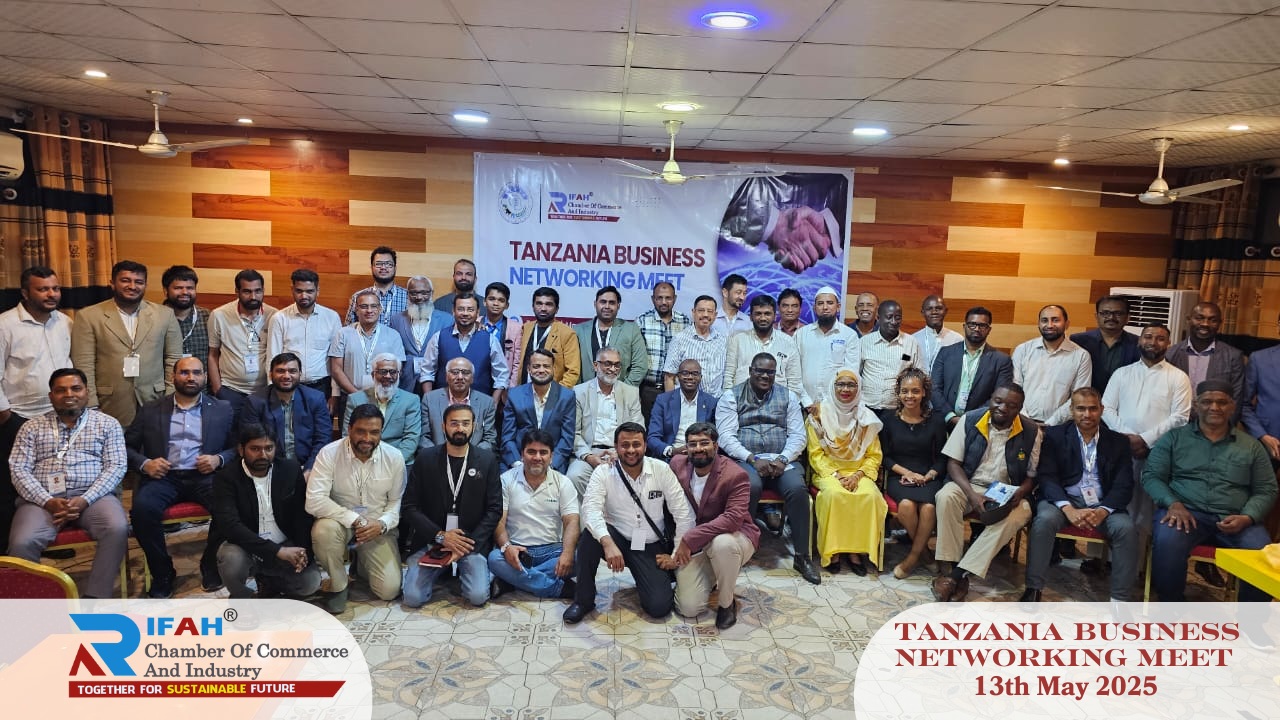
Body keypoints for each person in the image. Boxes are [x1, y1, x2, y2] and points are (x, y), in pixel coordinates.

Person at [1143, 380, 1277, 609]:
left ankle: (1252, 621)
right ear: (1196, 405)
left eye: (1222, 402)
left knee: (1261, 556)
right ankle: (1170, 609)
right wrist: (1173, 504)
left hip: (1236, 519)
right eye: (1207, 402)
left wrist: (1248, 517)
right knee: (1167, 543)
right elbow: (1151, 476)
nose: (1214, 407)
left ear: (1232, 406)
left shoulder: (1251, 446)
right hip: (1185, 514)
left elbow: (1267, 489)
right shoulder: (1174, 438)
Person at [7, 368, 128, 599]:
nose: (69, 394)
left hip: (94, 497)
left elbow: (116, 467)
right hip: (41, 500)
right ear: (51, 396)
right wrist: (48, 501)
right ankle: (32, 607)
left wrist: (85, 499)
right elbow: (18, 469)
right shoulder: (31, 427)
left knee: (116, 528)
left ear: (87, 392)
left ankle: (95, 599)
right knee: (23, 541)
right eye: (61, 390)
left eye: (76, 388)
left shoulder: (108, 424)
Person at [563, 422, 695, 624]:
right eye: (625, 445)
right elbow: (590, 511)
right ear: (616, 447)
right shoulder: (603, 472)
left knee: (659, 607)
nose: (631, 450)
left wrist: (675, 555)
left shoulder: (661, 470)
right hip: (619, 538)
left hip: (650, 544)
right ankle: (583, 601)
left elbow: (683, 514)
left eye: (636, 444)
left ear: (645, 446)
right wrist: (607, 543)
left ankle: (651, 578)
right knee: (589, 536)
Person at [126, 356, 236, 597]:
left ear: (205, 377)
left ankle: (209, 564)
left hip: (205, 476)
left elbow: (238, 447)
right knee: (142, 512)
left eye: (196, 373)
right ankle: (163, 572)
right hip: (164, 477)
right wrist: (145, 464)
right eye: (184, 372)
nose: (191, 377)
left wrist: (218, 459)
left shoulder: (222, 409)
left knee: (230, 507)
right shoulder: (151, 409)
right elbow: (126, 447)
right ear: (173, 377)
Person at [1020, 387, 1137, 602]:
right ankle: (1033, 588)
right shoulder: (1055, 436)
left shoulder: (1118, 442)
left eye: (1093, 409)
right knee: (1044, 521)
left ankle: (1120, 600)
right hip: (1063, 500)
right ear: (1071, 410)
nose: (1087, 414)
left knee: (1126, 529)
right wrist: (1068, 508)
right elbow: (1047, 477)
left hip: (1103, 504)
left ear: (1102, 410)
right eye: (1081, 409)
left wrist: (1103, 511)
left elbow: (1124, 484)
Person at [716, 353, 819, 585]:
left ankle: (802, 556)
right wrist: (752, 458)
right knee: (749, 485)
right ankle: (742, 548)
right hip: (746, 459)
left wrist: (783, 458)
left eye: (770, 372)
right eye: (760, 371)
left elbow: (798, 436)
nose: (765, 376)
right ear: (750, 371)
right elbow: (726, 437)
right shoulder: (731, 396)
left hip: (782, 460)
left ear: (775, 373)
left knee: (797, 489)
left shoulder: (788, 396)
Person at [932, 384, 1041, 602]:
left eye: (1011, 405)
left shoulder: (1031, 431)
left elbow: (1032, 475)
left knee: (1019, 515)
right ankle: (951, 566)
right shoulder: (970, 419)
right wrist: (972, 494)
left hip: (1008, 490)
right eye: (998, 401)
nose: (1002, 408)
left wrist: (1021, 491)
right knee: (945, 497)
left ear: (1020, 408)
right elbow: (953, 463)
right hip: (969, 483)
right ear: (991, 398)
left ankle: (956, 576)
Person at [0, 266, 72, 554]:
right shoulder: (5, 324)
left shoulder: (65, 322)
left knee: (54, 482)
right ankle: (9, 551)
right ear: (25, 293)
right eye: (43, 289)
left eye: (55, 288)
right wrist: (6, 416)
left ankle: (46, 540)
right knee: (13, 485)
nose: (51, 294)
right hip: (18, 418)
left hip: (56, 418)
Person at [305, 404, 405, 613]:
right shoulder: (329, 453)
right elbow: (314, 500)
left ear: (381, 432)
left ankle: (360, 565)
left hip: (376, 527)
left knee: (389, 590)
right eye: (361, 431)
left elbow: (396, 502)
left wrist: (382, 524)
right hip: (339, 523)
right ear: (349, 429)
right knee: (323, 531)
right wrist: (354, 519)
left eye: (374, 432)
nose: (367, 438)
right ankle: (339, 585)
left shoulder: (394, 457)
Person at [401, 403, 502, 608]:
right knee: (412, 598)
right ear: (443, 426)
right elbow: (410, 506)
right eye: (454, 423)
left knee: (477, 597)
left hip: (470, 542)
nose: (460, 429)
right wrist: (440, 536)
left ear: (474, 426)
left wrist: (465, 545)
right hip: (432, 540)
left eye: (465, 423)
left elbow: (494, 509)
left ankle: (468, 570)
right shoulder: (426, 458)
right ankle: (442, 569)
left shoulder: (487, 460)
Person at [1101, 323, 1191, 540]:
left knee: (1146, 509)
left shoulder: (1178, 377)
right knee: (1116, 501)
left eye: (1160, 338)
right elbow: (1106, 408)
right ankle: (1105, 555)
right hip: (1120, 449)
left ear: (1168, 344)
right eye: (1148, 337)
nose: (1153, 342)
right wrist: (1128, 438)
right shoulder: (1122, 373)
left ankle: (1141, 558)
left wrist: (1144, 439)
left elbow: (1180, 417)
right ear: (1139, 341)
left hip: (1157, 452)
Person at [212, 423, 321, 600]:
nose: (263, 455)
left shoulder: (290, 470)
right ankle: (245, 599)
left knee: (310, 582)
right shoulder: (226, 478)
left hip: (285, 544)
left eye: (268, 448)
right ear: (241, 449)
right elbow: (231, 526)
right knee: (230, 559)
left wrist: (302, 552)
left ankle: (269, 583)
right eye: (255, 449)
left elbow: (302, 516)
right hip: (247, 547)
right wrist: (276, 551)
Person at [667, 423, 758, 629]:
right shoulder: (677, 465)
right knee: (688, 608)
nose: (698, 448)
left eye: (704, 443)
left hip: (735, 536)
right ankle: (717, 574)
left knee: (722, 545)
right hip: (699, 544)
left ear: (716, 446)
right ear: (686, 448)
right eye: (692, 444)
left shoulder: (735, 474)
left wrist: (689, 539)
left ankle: (726, 604)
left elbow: (733, 519)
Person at [70, 260, 182, 427]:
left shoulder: (165, 315)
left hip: (155, 400)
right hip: (109, 403)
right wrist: (91, 404)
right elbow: (84, 363)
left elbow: (174, 359)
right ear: (112, 283)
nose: (132, 286)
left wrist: (170, 398)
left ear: (145, 285)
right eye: (125, 280)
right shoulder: (89, 316)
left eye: (139, 282)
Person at [806, 368, 886, 576]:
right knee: (834, 495)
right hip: (828, 472)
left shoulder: (867, 418)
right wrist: (837, 476)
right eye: (840, 384)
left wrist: (858, 475)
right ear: (832, 387)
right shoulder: (818, 415)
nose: (845, 389)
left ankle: (855, 552)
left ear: (858, 388)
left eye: (851, 385)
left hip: (860, 472)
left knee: (869, 496)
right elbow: (815, 454)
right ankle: (833, 551)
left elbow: (874, 455)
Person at [488, 429, 580, 599]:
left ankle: (512, 580)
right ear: (522, 454)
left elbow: (572, 521)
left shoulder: (563, 482)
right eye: (531, 452)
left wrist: (567, 553)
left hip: (552, 550)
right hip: (517, 549)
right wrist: (507, 547)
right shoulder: (506, 480)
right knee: (494, 559)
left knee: (580, 556)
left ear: (551, 456)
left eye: (543, 452)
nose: (537, 457)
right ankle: (557, 589)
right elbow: (499, 522)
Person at [878, 367, 949, 579]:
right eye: (905, 391)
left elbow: (942, 457)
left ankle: (911, 559)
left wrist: (929, 475)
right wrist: (907, 473)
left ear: (924, 392)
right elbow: (885, 457)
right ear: (898, 393)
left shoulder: (937, 420)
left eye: (915, 391)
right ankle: (925, 555)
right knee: (907, 506)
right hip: (899, 475)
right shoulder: (888, 419)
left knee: (928, 508)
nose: (910, 396)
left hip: (928, 476)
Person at [568, 347, 644, 495]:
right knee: (575, 476)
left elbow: (638, 430)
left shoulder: (631, 393)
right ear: (596, 365)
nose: (613, 369)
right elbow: (573, 432)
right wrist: (589, 457)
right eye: (608, 364)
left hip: (620, 451)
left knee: (632, 477)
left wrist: (620, 452)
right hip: (589, 451)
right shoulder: (579, 392)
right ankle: (590, 511)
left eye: (617, 365)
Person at [240, 352, 332, 474]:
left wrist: (310, 469)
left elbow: (323, 439)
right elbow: (251, 442)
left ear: (300, 374)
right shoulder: (255, 402)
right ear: (271, 374)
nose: (286, 376)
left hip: (307, 466)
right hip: (270, 468)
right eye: (280, 371)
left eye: (292, 371)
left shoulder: (316, 399)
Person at [207, 269, 277, 417]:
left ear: (263, 290)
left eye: (258, 291)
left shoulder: (274, 316)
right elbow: (213, 354)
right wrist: (218, 389)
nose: (253, 297)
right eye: (247, 291)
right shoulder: (219, 315)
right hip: (230, 391)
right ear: (237, 291)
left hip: (264, 391)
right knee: (231, 431)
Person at [266, 268, 342, 400]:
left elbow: (337, 359)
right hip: (289, 385)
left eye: (309, 291)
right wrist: (273, 390)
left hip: (322, 386)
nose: (304, 296)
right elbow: (272, 357)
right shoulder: (279, 318)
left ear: (318, 291)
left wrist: (335, 394)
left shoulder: (332, 317)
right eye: (299, 291)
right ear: (292, 290)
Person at [1010, 305, 1092, 426]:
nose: (1049, 325)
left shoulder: (1081, 356)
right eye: (1044, 320)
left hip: (1059, 426)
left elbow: (1078, 397)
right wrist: (1026, 421)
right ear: (1038, 324)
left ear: (1067, 324)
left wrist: (1050, 424)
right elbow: (1014, 388)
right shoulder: (1023, 350)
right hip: (1020, 422)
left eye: (1055, 320)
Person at [931, 306, 1012, 428]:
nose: (977, 329)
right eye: (972, 324)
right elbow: (934, 388)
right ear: (964, 326)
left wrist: (970, 418)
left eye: (982, 325)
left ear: (989, 329)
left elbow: (999, 397)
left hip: (978, 425)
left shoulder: (1001, 360)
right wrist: (950, 416)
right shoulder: (945, 353)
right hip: (943, 422)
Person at [420, 293, 509, 401]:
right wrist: (430, 401)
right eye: (461, 309)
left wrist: (493, 404)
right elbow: (427, 372)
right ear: (453, 311)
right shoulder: (438, 337)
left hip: (479, 406)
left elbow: (501, 375)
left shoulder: (490, 340)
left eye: (470, 309)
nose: (465, 313)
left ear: (478, 312)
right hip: (444, 404)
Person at [1165, 302, 1245, 421]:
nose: (1205, 324)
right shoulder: (1170, 354)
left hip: (1215, 424)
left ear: (1220, 323)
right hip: (1176, 422)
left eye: (1213, 320)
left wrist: (1224, 428)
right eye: (1199, 318)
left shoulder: (1233, 356)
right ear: (1188, 319)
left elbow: (1236, 400)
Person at [502, 349, 576, 473]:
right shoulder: (515, 395)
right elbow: (507, 437)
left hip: (553, 463)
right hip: (519, 460)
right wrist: (518, 464)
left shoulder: (566, 396)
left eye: (546, 366)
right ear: (528, 369)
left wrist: (551, 464)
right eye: (536, 366)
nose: (541, 370)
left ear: (553, 369)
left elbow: (567, 438)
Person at [329, 291, 407, 406]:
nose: (369, 310)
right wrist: (356, 396)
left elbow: (398, 369)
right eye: (364, 306)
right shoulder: (343, 334)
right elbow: (336, 369)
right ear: (356, 310)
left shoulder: (393, 335)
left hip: (384, 398)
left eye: (373, 306)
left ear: (380, 309)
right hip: (350, 397)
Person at [343, 353, 422, 466]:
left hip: (399, 462)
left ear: (399, 375)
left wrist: (391, 464)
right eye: (383, 372)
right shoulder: (355, 400)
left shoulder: (411, 400)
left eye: (393, 372)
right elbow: (348, 435)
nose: (388, 376)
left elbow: (411, 438)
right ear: (373, 375)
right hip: (362, 460)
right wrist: (367, 462)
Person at [723, 295, 804, 403]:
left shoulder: (788, 343)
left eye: (767, 314)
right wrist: (730, 404)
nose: (763, 318)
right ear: (751, 317)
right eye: (758, 314)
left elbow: (795, 383)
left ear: (775, 316)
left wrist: (787, 406)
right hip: (742, 403)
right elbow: (729, 377)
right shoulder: (737, 340)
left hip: (778, 405)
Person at [795, 286, 861, 412]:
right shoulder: (801, 334)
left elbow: (850, 373)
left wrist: (830, 404)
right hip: (803, 405)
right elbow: (794, 372)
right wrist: (807, 402)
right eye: (820, 303)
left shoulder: (849, 335)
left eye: (830, 303)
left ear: (838, 307)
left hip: (836, 407)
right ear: (814, 308)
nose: (825, 307)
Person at [634, 281, 690, 420]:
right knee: (649, 429)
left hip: (677, 389)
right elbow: (634, 358)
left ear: (674, 299)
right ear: (653, 299)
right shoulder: (642, 321)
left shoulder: (685, 322)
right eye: (659, 298)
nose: (664, 302)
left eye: (668, 298)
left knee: (674, 428)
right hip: (649, 390)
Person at [389, 275, 454, 394]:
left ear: (432, 293)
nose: (419, 297)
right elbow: (393, 353)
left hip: (435, 381)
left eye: (424, 293)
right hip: (406, 381)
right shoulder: (396, 320)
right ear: (408, 294)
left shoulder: (447, 320)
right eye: (414, 293)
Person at [573, 285, 648, 386]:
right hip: (586, 392)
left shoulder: (631, 329)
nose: (607, 306)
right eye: (603, 302)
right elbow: (572, 366)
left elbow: (640, 365)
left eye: (612, 303)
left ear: (618, 306)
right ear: (595, 304)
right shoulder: (578, 330)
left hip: (620, 392)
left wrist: (623, 390)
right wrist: (580, 390)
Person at [422, 357, 498, 451]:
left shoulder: (486, 402)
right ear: (446, 377)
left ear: (472, 378)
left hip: (474, 457)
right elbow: (423, 437)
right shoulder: (429, 399)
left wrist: (470, 455)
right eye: (455, 372)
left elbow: (490, 439)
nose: (460, 377)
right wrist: (438, 455)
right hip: (436, 457)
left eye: (465, 373)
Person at [647, 359, 717, 459]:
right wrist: (672, 451)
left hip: (700, 455)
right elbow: (652, 437)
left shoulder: (711, 402)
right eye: (685, 373)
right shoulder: (663, 400)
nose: (690, 377)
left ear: (700, 377)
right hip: (671, 455)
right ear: (678, 377)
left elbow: (714, 437)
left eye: (695, 373)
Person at [859, 300, 921, 412]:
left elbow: (919, 375)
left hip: (898, 408)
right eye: (889, 317)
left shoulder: (911, 342)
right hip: (867, 408)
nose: (893, 322)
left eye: (897, 318)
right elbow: (856, 374)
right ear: (878, 318)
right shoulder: (864, 342)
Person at [1071, 296, 1140, 394]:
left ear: (1128, 318)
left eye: (1118, 313)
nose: (1111, 317)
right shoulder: (1078, 341)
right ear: (1096, 316)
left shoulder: (1138, 344)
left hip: (1123, 399)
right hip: (1087, 400)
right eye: (1105, 313)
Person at [662, 295, 727, 396]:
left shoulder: (722, 340)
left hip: (716, 402)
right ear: (693, 312)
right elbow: (669, 378)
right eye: (701, 310)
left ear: (715, 315)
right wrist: (671, 404)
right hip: (686, 402)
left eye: (710, 311)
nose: (705, 315)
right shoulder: (680, 339)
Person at [518, 286, 581, 388]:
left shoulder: (567, 333)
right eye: (539, 303)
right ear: (533, 307)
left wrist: (556, 393)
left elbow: (572, 371)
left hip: (552, 393)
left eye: (548, 304)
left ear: (557, 309)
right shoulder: (525, 328)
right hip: (523, 391)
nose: (543, 308)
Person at [1243, 310, 1280, 466]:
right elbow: (1243, 405)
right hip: (1268, 442)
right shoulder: (1259, 358)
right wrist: (1262, 436)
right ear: (1278, 327)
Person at [479, 281, 524, 398]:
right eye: (492, 299)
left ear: (507, 305)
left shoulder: (515, 328)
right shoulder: (475, 323)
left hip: (503, 386)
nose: (496, 303)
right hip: (477, 382)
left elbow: (517, 364)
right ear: (484, 301)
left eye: (501, 300)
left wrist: (511, 390)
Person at [161, 265, 209, 370]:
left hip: (202, 380)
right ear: (165, 291)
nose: (185, 292)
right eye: (178, 288)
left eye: (190, 288)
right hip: (167, 380)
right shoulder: (155, 318)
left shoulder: (208, 317)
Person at [345, 246, 407, 326]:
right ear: (372, 267)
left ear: (395, 268)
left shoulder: (408, 297)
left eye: (388, 264)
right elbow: (348, 329)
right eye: (378, 264)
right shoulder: (357, 297)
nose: (383, 267)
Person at [912, 295, 962, 375]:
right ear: (922, 312)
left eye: (938, 308)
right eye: (929, 309)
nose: (934, 312)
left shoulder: (957, 340)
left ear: (945, 311)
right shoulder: (913, 339)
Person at [712, 273, 752, 338]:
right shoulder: (711, 319)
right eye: (738, 292)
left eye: (744, 293)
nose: (742, 297)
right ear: (725, 293)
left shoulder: (748, 322)